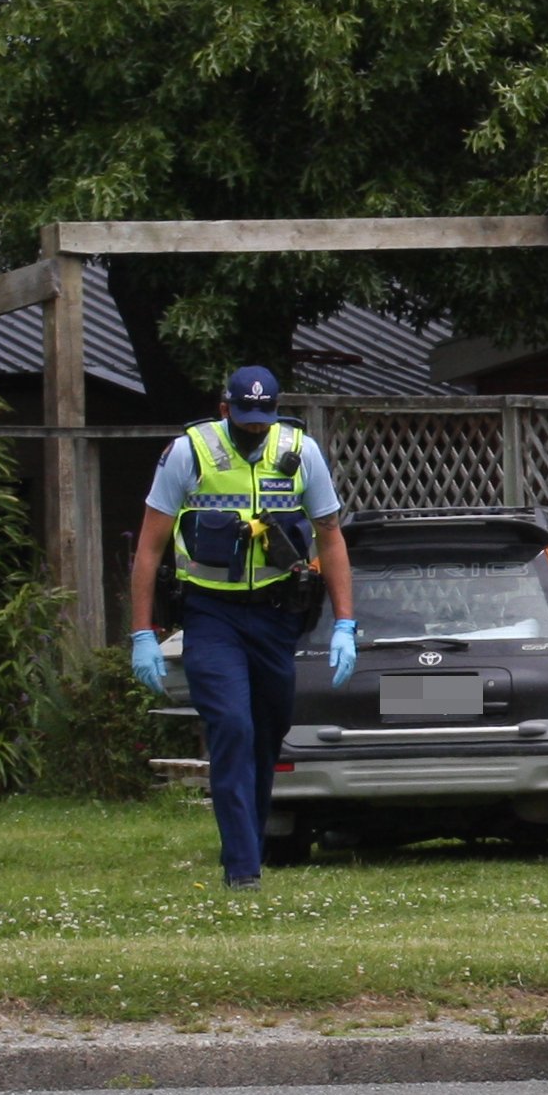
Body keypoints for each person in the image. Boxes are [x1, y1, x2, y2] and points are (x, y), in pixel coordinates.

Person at [126, 365, 356, 887]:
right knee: (232, 725)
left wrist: (346, 623)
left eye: (264, 419)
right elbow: (149, 546)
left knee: (267, 734)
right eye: (244, 418)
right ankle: (243, 868)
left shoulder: (301, 451)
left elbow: (330, 536)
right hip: (212, 614)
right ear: (225, 409)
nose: (255, 429)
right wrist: (142, 632)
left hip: (278, 615)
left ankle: (247, 845)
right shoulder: (189, 452)